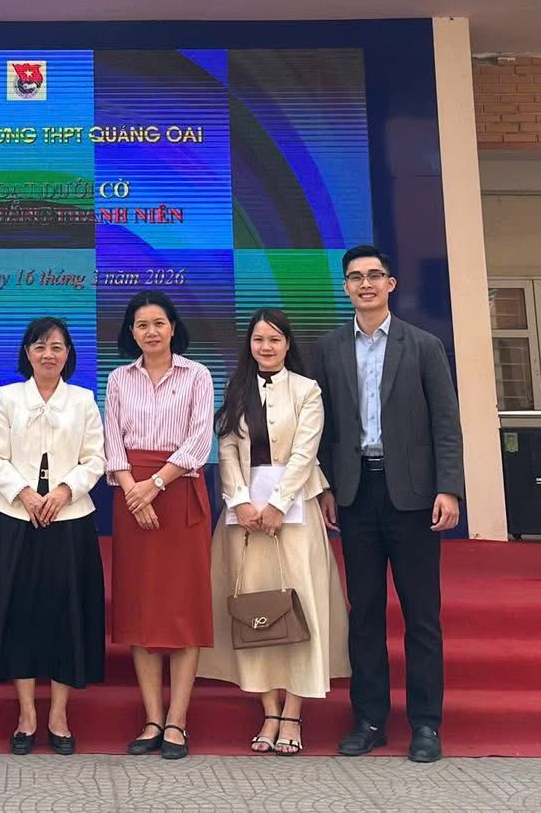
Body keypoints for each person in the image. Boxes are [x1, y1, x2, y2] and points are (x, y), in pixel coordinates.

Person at [310, 245, 465, 764]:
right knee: (365, 614)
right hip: (355, 495)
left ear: (391, 284)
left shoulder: (423, 345)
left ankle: (426, 725)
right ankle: (370, 720)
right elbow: (321, 428)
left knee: (422, 616)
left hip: (414, 497)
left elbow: (446, 422)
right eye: (355, 277)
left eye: (375, 275)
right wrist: (325, 487)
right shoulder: (328, 349)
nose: (366, 284)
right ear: (346, 287)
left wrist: (449, 487)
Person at [198, 310, 349, 755]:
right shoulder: (237, 388)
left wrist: (279, 504)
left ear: (287, 344)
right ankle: (268, 709)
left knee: (299, 604)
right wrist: (240, 501)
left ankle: (293, 712)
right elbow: (227, 448)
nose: (266, 347)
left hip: (294, 513)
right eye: (258, 339)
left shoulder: (307, 390)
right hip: (243, 517)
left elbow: (305, 452)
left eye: (275, 339)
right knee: (253, 607)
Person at [0, 317, 106, 755]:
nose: (48, 355)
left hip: (70, 520)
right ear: (27, 353)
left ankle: (59, 715)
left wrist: (63, 492)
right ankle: (27, 714)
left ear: (68, 355)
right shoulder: (8, 398)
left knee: (67, 614)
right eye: (40, 347)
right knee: (20, 613)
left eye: (57, 347)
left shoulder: (83, 399)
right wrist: (25, 494)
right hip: (16, 518)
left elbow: (95, 458)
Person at [103, 290, 215, 761]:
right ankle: (152, 718)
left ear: (173, 328)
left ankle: (177, 721)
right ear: (131, 333)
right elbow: (112, 441)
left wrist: (155, 484)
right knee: (142, 608)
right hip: (132, 496)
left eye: (159, 323)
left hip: (179, 491)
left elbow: (199, 439)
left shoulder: (197, 375)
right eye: (142, 325)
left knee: (183, 609)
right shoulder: (118, 378)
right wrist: (134, 491)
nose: (151, 332)